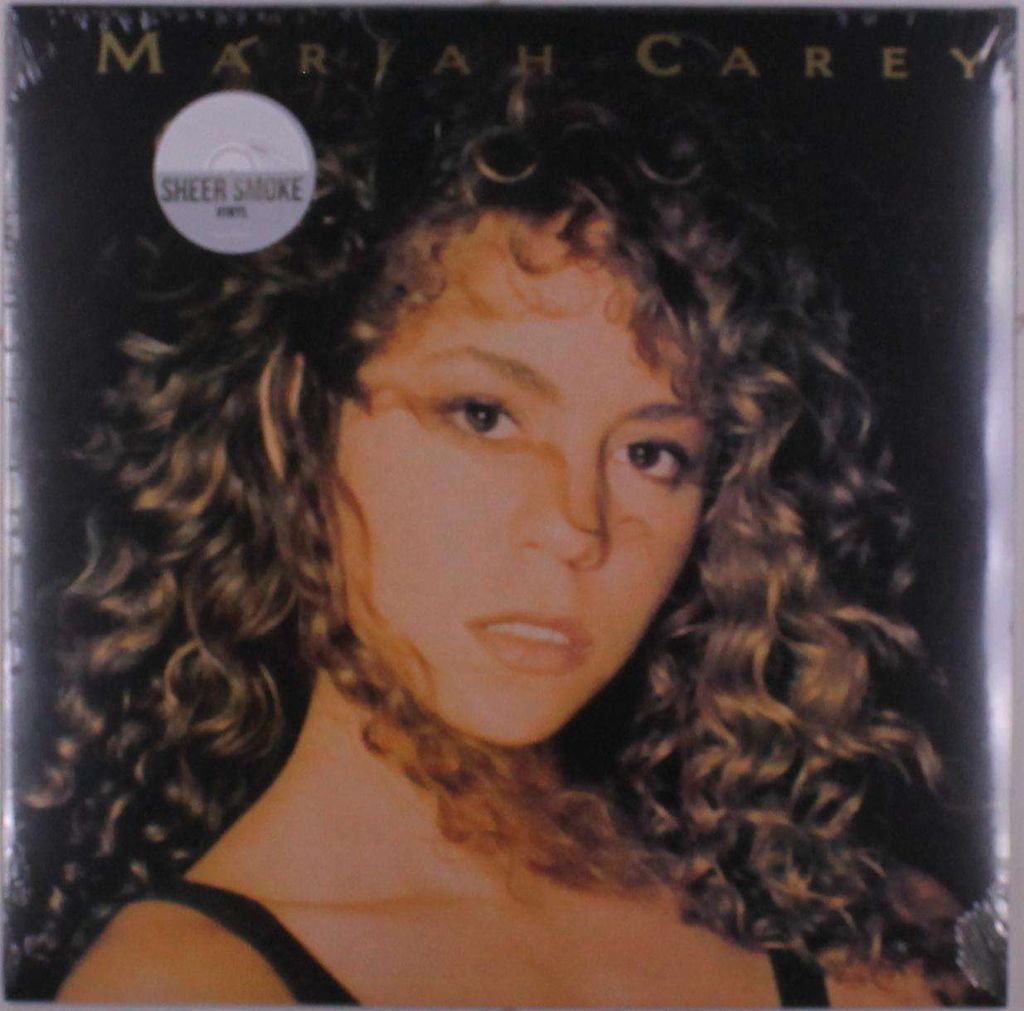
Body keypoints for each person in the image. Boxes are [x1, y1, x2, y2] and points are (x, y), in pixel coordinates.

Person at [14, 70, 969, 1006]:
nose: (575, 527)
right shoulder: (184, 987)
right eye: (483, 415)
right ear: (293, 422)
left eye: (651, 452)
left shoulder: (866, 946)